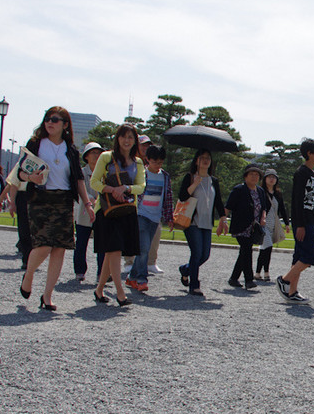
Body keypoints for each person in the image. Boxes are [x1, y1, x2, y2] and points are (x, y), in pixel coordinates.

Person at [6, 107, 93, 312]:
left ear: (65, 125)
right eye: (47, 119)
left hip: (64, 200)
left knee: (59, 249)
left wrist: (87, 204)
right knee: (44, 244)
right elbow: (19, 172)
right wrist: (30, 177)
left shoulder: (70, 150)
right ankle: (29, 274)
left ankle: (47, 295)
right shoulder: (36, 144)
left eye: (55, 119)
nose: (50, 123)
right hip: (40, 198)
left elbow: (78, 180)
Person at [91, 124, 145, 306]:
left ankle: (99, 290)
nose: (127, 140)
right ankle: (120, 293)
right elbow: (94, 182)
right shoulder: (106, 157)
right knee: (113, 249)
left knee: (112, 252)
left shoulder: (138, 162)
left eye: (131, 137)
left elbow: (141, 186)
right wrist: (112, 189)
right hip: (107, 210)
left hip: (127, 210)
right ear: (117, 139)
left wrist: (126, 188)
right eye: (124, 136)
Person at [276, 139, 314, 304]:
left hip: (311, 220)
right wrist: (300, 225)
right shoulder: (301, 173)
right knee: (310, 255)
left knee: (299, 257)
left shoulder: (312, 174)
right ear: (309, 154)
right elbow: (296, 201)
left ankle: (292, 292)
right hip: (303, 222)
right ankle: (285, 280)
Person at [177, 149, 226, 296]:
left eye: (208, 158)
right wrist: (194, 184)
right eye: (202, 158)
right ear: (196, 160)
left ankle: (186, 269)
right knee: (196, 252)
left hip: (206, 222)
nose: (206, 160)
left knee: (205, 255)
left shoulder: (213, 181)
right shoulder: (190, 177)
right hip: (192, 222)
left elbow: (218, 201)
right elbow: (182, 197)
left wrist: (223, 219)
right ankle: (194, 285)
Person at [127, 144, 174, 292]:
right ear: (147, 160)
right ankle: (142, 279)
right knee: (145, 247)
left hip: (155, 217)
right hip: (141, 214)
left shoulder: (165, 176)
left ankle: (131, 277)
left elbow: (168, 198)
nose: (157, 165)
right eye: (154, 162)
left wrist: (169, 217)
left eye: (160, 162)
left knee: (143, 249)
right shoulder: (142, 173)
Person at [225, 163, 270, 289]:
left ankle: (234, 278)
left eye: (257, 175)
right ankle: (249, 280)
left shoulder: (260, 191)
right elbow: (228, 207)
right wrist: (222, 222)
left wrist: (263, 217)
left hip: (254, 228)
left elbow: (264, 207)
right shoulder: (239, 190)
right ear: (245, 176)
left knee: (244, 252)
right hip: (241, 226)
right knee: (247, 250)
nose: (254, 177)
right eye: (251, 174)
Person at [73, 142, 103, 282]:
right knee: (81, 242)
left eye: (98, 153)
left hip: (100, 210)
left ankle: (101, 273)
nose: (96, 156)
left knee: (102, 244)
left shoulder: (103, 172)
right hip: (84, 211)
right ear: (86, 156)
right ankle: (80, 271)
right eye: (93, 153)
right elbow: (79, 189)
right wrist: (90, 199)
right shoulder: (82, 172)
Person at [255, 167, 289, 282]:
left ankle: (257, 272)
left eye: (274, 177)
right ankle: (266, 272)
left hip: (273, 224)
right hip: (263, 224)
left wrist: (287, 223)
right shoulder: (261, 191)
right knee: (268, 247)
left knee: (263, 249)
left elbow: (283, 209)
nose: (271, 179)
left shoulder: (278, 194)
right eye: (269, 177)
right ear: (265, 179)